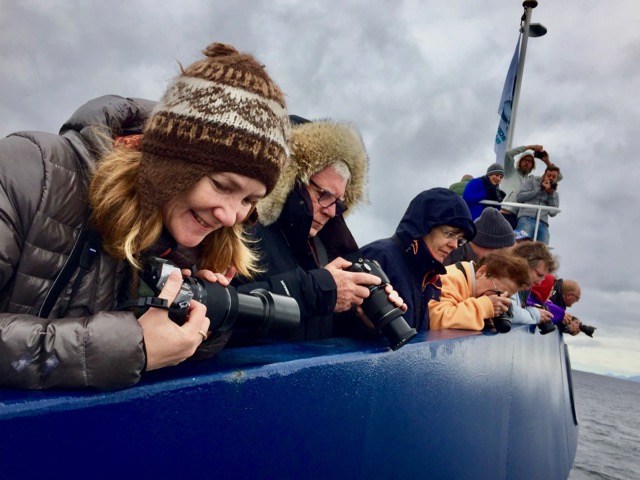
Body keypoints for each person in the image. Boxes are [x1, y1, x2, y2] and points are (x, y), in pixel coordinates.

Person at [0, 42, 291, 390]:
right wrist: (130, 347)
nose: (230, 217)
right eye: (221, 184)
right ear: (171, 162)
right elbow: (127, 351)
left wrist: (200, 326)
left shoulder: (193, 242)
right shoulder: (30, 173)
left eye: (249, 200)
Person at [231, 118, 401, 343]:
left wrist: (366, 319)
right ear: (289, 179)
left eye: (339, 202)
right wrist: (318, 290)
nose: (332, 212)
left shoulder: (324, 246)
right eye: (325, 195)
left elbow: (325, 326)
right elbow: (221, 311)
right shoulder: (240, 232)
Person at [358, 188, 476, 331]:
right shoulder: (379, 257)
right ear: (423, 226)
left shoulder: (430, 275)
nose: (455, 245)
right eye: (449, 233)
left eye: (460, 239)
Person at [428, 250, 532, 331]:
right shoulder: (450, 278)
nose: (499, 299)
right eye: (498, 293)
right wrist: (484, 307)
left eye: (507, 297)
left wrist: (487, 318)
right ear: (482, 272)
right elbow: (437, 319)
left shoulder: (473, 288)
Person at [500, 144, 557, 228]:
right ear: (520, 162)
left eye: (530, 161)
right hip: (502, 212)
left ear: (532, 165)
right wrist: (529, 147)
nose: (527, 162)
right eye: (525, 160)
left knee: (509, 241)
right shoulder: (510, 172)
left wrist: (546, 161)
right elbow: (508, 154)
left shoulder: (532, 180)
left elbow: (556, 177)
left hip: (517, 219)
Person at [510, 241, 559, 334]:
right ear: (522, 264)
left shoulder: (518, 290)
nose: (540, 283)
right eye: (539, 275)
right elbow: (511, 313)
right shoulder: (502, 281)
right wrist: (536, 315)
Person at [443, 206, 515, 265]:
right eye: (504, 253)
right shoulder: (448, 259)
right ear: (492, 248)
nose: (506, 259)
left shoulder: (466, 257)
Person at [516, 165, 561, 245]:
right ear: (544, 176)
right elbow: (519, 197)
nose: (551, 178)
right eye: (549, 175)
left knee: (543, 251)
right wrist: (540, 189)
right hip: (526, 218)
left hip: (543, 223)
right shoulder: (531, 182)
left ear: (556, 179)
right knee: (521, 246)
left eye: (554, 177)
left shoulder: (555, 194)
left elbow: (553, 213)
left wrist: (550, 194)